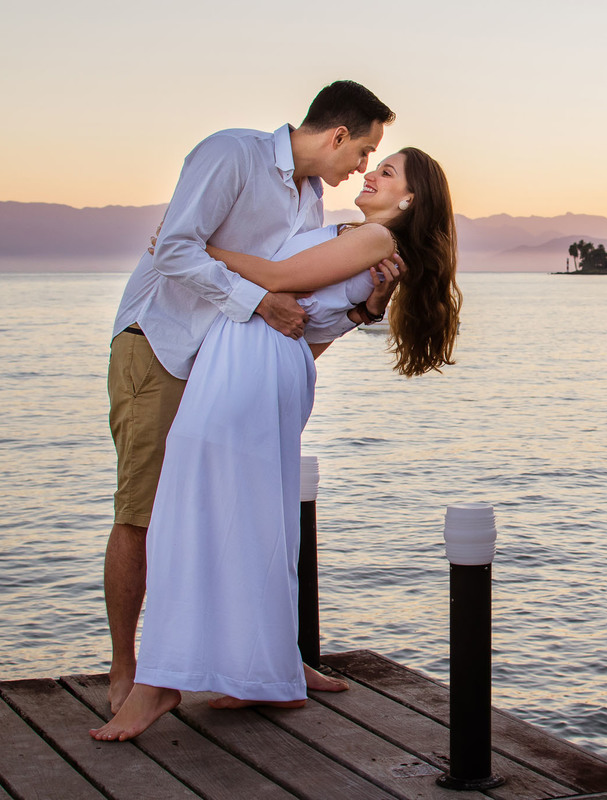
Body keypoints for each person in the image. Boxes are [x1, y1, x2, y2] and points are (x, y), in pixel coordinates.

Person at [91, 148, 461, 741]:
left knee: (194, 512)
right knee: (250, 519)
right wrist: (366, 307)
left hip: (246, 369)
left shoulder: (372, 240)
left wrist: (193, 247)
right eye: (373, 162)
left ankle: (162, 681)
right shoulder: (357, 240)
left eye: (385, 170)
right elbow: (304, 329)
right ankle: (263, 670)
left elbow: (281, 281)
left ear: (410, 200)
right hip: (255, 364)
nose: (370, 171)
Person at [104, 80, 397, 714]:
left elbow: (296, 311)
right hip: (161, 344)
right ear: (338, 134)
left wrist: (365, 309)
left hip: (225, 366)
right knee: (143, 511)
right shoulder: (231, 155)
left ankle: (255, 659)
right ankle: (129, 666)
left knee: (240, 512)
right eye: (366, 150)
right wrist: (257, 301)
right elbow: (174, 250)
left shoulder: (312, 201)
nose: (363, 167)